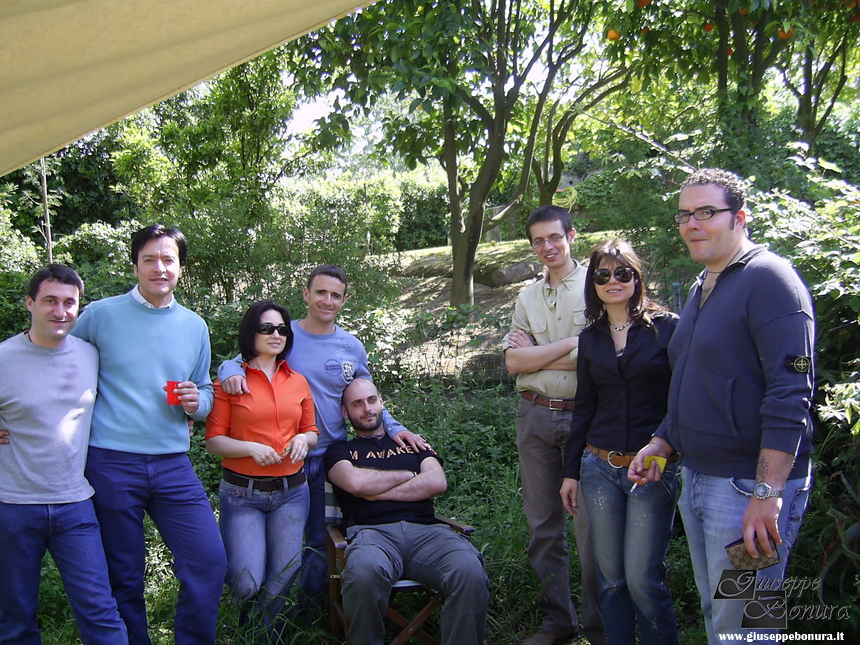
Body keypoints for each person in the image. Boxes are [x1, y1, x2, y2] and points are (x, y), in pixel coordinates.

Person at [629, 169, 815, 644]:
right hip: (700, 478)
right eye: (684, 214)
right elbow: (694, 377)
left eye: (707, 212)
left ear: (740, 218)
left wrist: (765, 494)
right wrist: (663, 439)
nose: (693, 223)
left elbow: (792, 393)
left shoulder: (771, 280)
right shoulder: (704, 285)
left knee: (748, 625)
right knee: (719, 609)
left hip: (746, 489)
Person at [218, 264, 426, 597]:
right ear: (306, 294)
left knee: (320, 540)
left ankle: (309, 612)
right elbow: (240, 363)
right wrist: (226, 367)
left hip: (330, 457)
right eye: (320, 292)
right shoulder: (283, 335)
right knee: (274, 546)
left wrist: (395, 427)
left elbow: (366, 396)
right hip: (284, 460)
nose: (327, 301)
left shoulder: (351, 347)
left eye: (335, 295)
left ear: (344, 300)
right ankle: (260, 610)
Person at [72, 224, 227, 645]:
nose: (159, 268)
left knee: (209, 561)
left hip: (173, 464)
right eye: (149, 259)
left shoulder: (194, 326)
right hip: (109, 462)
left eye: (168, 260)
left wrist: (199, 402)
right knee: (123, 574)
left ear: (180, 267)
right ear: (136, 264)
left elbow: (206, 392)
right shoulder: (100, 315)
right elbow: (61, 365)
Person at [0, 265, 128, 645]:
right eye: (50, 300)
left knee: (100, 610)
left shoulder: (91, 355)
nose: (60, 311)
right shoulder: (4, 357)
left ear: (79, 307)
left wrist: (179, 419)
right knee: (15, 616)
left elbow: (131, 395)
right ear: (30, 303)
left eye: (69, 302)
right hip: (13, 505)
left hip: (76, 504)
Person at [559, 240, 679, 645]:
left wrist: (666, 446)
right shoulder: (590, 338)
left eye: (622, 273)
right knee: (610, 581)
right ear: (593, 283)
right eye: (603, 275)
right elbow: (584, 406)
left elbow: (681, 401)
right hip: (598, 468)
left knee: (643, 579)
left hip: (652, 469)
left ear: (636, 277)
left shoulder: (667, 329)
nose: (613, 281)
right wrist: (570, 472)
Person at [503, 205, 603, 645]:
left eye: (554, 238)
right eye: (538, 241)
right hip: (535, 415)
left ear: (571, 236)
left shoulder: (599, 285)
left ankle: (601, 628)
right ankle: (558, 622)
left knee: (591, 528)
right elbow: (512, 363)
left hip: (588, 416)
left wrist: (539, 353)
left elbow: (602, 352)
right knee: (543, 525)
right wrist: (571, 346)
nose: (547, 247)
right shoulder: (526, 297)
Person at [324, 377, 489, 645]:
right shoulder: (340, 450)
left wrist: (375, 490)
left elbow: (437, 482)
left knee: (468, 569)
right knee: (362, 573)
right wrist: (411, 476)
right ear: (345, 412)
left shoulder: (414, 443)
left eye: (372, 400)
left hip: (427, 534)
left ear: (381, 403)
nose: (367, 408)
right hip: (372, 536)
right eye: (357, 404)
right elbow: (354, 482)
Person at [206, 300, 318, 627]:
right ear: (250, 332)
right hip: (243, 494)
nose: (275, 334)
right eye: (266, 328)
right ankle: (250, 626)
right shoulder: (232, 380)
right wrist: (251, 448)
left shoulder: (297, 381)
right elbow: (214, 441)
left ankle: (260, 635)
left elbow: (311, 431)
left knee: (284, 577)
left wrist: (302, 440)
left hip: (292, 492)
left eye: (282, 329)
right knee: (247, 582)